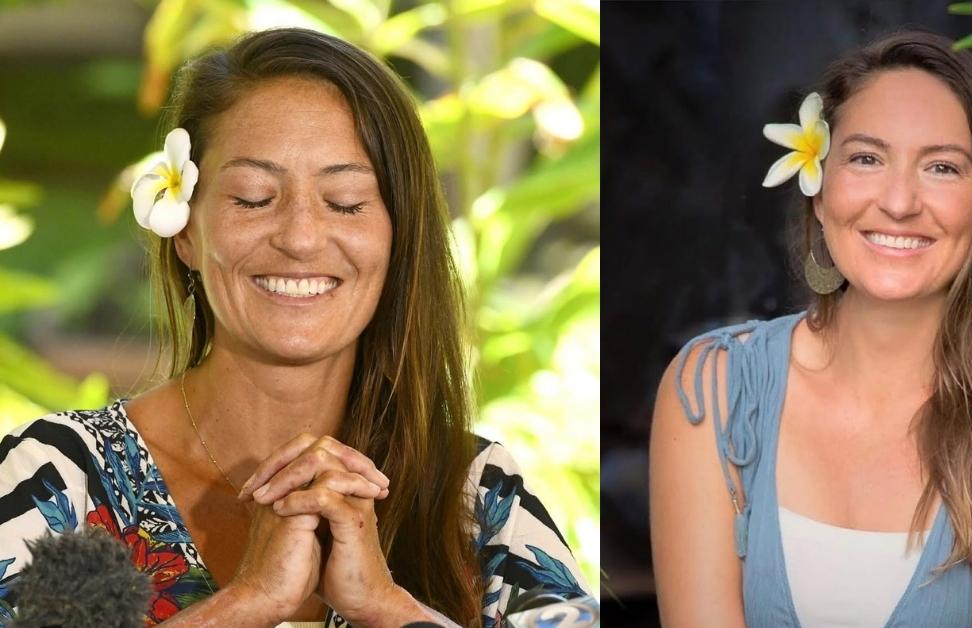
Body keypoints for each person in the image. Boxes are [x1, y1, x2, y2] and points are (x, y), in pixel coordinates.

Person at [0, 28, 590, 628]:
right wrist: (248, 601)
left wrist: (385, 607)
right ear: (185, 231)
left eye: (346, 202)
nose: (301, 238)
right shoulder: (56, 477)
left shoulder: (477, 496)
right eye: (254, 198)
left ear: (398, 236)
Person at [650, 30, 972, 627]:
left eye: (943, 167)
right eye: (867, 158)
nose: (899, 202)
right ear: (820, 193)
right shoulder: (714, 393)